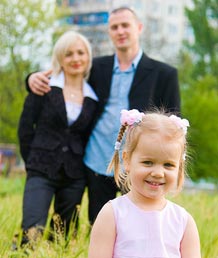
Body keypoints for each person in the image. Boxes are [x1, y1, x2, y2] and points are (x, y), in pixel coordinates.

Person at [25, 6, 181, 225]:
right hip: (97, 162)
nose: (120, 31)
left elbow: (174, 124)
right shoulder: (96, 67)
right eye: (114, 27)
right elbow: (65, 75)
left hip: (139, 165)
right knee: (98, 225)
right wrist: (31, 78)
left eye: (125, 25)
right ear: (109, 33)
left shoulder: (164, 74)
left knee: (138, 225)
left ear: (139, 28)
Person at [18, 30, 98, 245]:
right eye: (68, 54)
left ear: (88, 57)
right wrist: (32, 160)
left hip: (74, 175)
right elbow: (25, 128)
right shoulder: (43, 86)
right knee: (31, 231)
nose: (75, 59)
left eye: (81, 53)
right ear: (60, 58)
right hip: (40, 169)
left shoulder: (93, 97)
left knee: (62, 236)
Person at [88, 109, 201, 258]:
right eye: (148, 162)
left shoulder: (183, 222)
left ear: (179, 166)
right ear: (127, 160)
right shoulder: (113, 214)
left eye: (168, 165)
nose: (158, 173)